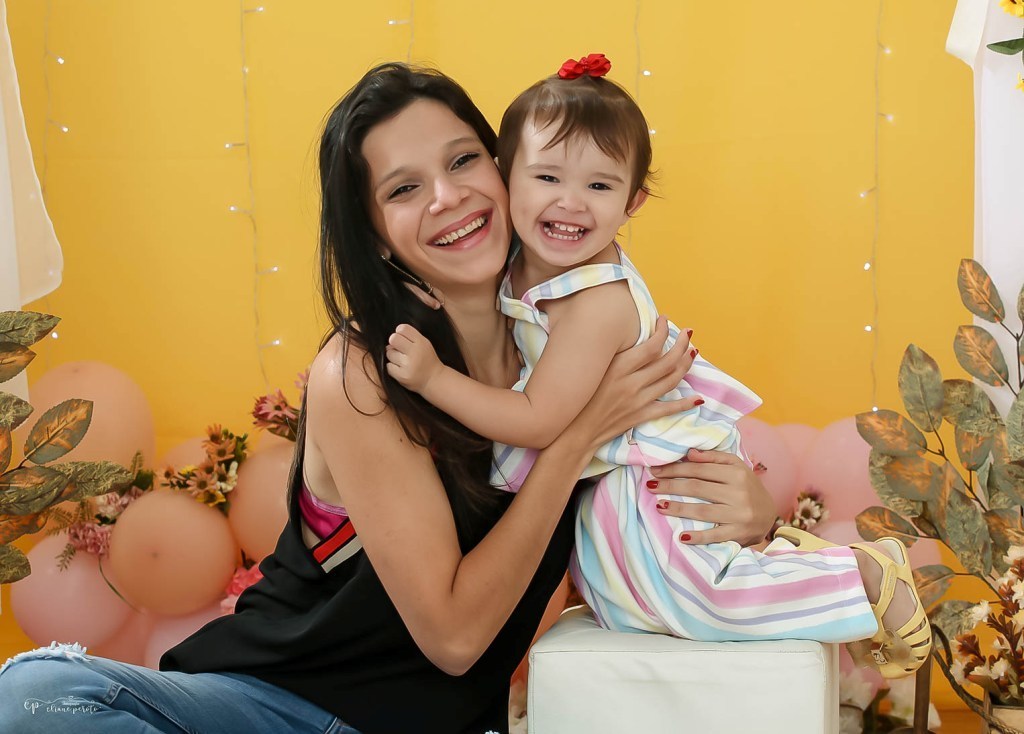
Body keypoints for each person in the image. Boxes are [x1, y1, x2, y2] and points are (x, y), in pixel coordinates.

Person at [0, 63, 777, 734]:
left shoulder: (573, 343)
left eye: (463, 161)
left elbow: (658, 501)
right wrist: (573, 443)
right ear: (374, 234)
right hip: (274, 706)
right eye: (404, 188)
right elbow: (455, 640)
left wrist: (752, 512)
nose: (447, 196)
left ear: (505, 169)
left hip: (434, 722)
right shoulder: (366, 373)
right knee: (34, 695)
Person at [384, 54, 931, 679]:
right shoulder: (518, 256)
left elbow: (536, 420)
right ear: (507, 177)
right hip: (608, 470)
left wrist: (434, 379)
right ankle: (809, 584)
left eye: (599, 186)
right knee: (624, 607)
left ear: (633, 202)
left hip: (653, 471)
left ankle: (859, 575)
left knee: (704, 600)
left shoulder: (595, 300)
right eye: (548, 177)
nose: (570, 203)